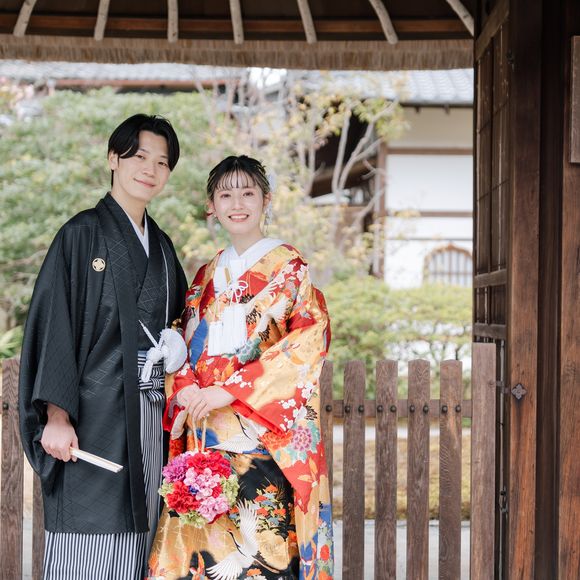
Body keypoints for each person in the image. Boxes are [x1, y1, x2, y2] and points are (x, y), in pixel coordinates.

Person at [19, 114, 188, 580]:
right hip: (91, 418)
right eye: (139, 157)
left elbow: (182, 319)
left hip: (149, 417)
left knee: (142, 540)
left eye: (162, 162)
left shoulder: (162, 247)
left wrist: (178, 340)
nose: (150, 169)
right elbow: (55, 325)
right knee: (87, 548)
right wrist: (56, 415)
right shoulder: (81, 235)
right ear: (114, 158)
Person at [147, 155, 334, 579]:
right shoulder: (206, 274)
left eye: (248, 193)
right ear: (211, 205)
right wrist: (185, 384)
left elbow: (307, 341)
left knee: (262, 543)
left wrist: (229, 390)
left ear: (266, 200)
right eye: (225, 195)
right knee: (203, 546)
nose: (237, 204)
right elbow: (182, 338)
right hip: (205, 434)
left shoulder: (289, 268)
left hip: (260, 434)